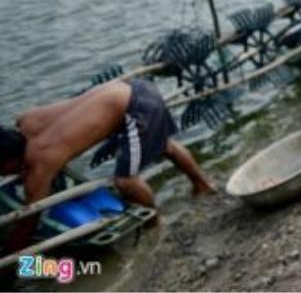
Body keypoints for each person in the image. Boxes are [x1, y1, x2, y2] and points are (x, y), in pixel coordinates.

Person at [0, 79, 214, 254]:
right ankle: (202, 185)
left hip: (135, 108)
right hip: (135, 87)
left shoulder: (40, 163)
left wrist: (10, 251)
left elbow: (29, 220)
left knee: (125, 181)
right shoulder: (26, 120)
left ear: (11, 161)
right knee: (163, 145)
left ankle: (154, 225)